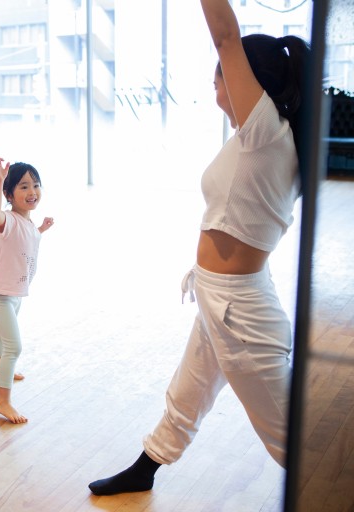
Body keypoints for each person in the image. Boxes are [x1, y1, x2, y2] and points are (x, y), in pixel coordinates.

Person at [88, 0, 310, 496]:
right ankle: (145, 468)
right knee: (189, 391)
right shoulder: (266, 137)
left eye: (218, 82)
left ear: (245, 82)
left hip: (240, 313)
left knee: (295, 441)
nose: (215, 94)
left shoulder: (266, 134)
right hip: (222, 298)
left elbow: (226, 36)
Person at [0, 158, 54, 424]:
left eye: (35, 185)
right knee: (14, 347)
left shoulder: (27, 223)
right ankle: (3, 402)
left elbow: (28, 239)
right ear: (9, 194)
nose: (32, 192)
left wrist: (42, 229)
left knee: (1, 333)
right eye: (24, 187)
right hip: (1, 295)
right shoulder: (8, 221)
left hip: (15, 293)